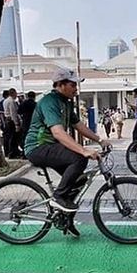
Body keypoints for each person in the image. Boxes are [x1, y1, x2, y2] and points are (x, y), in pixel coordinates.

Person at [25, 67, 111, 236]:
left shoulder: (65, 102)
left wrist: (100, 140)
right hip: (37, 147)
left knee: (78, 181)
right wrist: (83, 150)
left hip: (51, 147)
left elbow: (78, 126)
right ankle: (58, 197)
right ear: (61, 85)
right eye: (73, 85)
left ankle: (65, 220)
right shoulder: (49, 101)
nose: (76, 89)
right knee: (78, 159)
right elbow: (58, 132)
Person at [3, 88, 22, 158]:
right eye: (16, 93)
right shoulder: (11, 101)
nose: (16, 95)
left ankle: (9, 151)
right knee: (13, 137)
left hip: (7, 120)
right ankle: (13, 152)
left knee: (9, 137)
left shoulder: (5, 101)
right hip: (11, 121)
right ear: (13, 93)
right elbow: (13, 113)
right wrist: (16, 124)